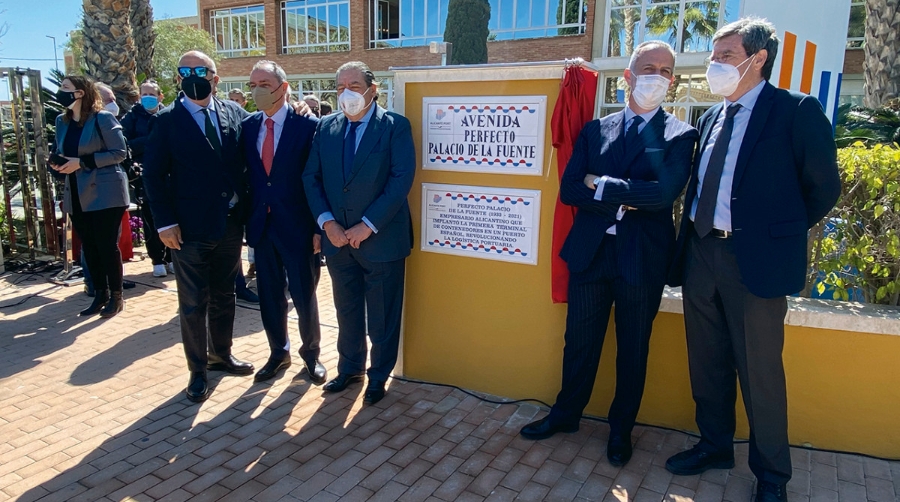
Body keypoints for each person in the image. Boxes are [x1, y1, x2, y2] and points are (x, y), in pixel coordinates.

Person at [665, 18, 841, 502]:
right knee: (708, 363)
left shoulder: (795, 111)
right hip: (703, 254)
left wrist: (773, 235)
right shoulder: (711, 118)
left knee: (760, 373)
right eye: (713, 56)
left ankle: (771, 477)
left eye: (724, 55)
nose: (714, 65)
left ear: (757, 58)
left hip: (754, 264)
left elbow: (823, 187)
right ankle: (715, 445)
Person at [519, 42, 699, 467]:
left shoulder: (680, 135)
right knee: (579, 342)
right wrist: (625, 194)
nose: (658, 75)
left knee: (633, 349)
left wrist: (602, 184)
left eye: (666, 70)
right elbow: (569, 190)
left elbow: (663, 195)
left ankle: (621, 431)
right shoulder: (595, 129)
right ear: (629, 76)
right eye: (648, 67)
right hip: (591, 253)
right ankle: (566, 414)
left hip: (642, 258)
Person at [143, 50, 255, 403]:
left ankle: (221, 354)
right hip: (187, 229)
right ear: (177, 78)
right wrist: (164, 223)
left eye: (200, 70)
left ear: (215, 77)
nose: (193, 76)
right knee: (193, 302)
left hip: (229, 224)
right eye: (185, 71)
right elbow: (153, 176)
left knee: (225, 295)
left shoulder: (234, 113)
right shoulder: (165, 121)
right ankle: (197, 370)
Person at [303, 61, 415, 405]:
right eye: (339, 87)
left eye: (354, 84)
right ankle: (350, 368)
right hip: (338, 242)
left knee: (382, 316)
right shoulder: (326, 127)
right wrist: (327, 223)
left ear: (372, 88)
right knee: (346, 310)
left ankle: (379, 376)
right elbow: (311, 177)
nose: (346, 93)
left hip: (380, 240)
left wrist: (367, 225)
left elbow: (400, 179)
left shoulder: (395, 126)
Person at [242, 61, 325, 384]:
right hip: (262, 227)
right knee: (270, 295)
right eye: (253, 85)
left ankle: (312, 354)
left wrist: (319, 227)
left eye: (265, 83)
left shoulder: (308, 125)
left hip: (300, 228)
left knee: (305, 296)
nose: (258, 90)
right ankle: (278, 352)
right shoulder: (248, 127)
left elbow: (318, 179)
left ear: (283, 86)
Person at [51, 75, 130, 318]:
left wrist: (82, 162)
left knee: (106, 245)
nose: (60, 92)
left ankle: (116, 296)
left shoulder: (102, 118)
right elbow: (60, 150)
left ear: (81, 93)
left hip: (106, 192)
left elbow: (119, 153)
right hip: (76, 191)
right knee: (90, 247)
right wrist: (56, 163)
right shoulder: (61, 121)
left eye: (66, 88)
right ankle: (99, 294)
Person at [121, 79, 173, 278]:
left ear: (160, 96)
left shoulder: (168, 115)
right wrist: (151, 140)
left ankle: (170, 257)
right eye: (144, 94)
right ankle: (157, 259)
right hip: (145, 175)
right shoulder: (132, 118)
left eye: (152, 94)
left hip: (170, 175)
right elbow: (125, 145)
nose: (147, 98)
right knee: (151, 218)